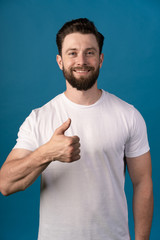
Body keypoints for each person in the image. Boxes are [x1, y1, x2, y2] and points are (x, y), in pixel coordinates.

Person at [0, 18, 153, 240]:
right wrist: (47, 153)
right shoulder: (39, 118)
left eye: (89, 52)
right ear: (60, 61)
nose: (81, 61)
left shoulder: (128, 115)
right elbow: (5, 184)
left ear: (100, 59)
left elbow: (143, 183)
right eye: (72, 53)